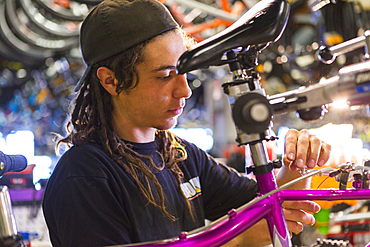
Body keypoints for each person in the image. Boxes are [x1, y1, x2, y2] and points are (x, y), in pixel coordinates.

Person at [42, 0, 331, 246]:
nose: (185, 90)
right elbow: (255, 227)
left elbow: (271, 207)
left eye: (184, 72)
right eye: (165, 76)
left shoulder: (179, 155)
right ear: (111, 80)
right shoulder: (83, 177)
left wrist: (296, 164)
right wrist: (238, 240)